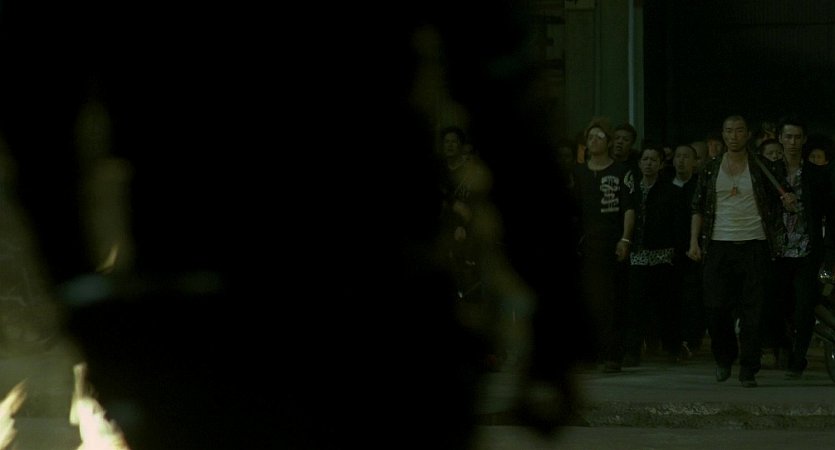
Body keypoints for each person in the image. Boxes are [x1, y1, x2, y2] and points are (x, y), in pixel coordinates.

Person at [687, 114, 797, 388]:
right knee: (715, 307)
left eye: (739, 131)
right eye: (728, 131)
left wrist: (788, 201)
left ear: (747, 134)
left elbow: (784, 196)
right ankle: (724, 358)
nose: (733, 136)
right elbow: (698, 206)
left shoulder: (762, 167)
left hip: (754, 243)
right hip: (718, 244)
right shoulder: (711, 168)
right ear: (722, 134)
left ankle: (748, 369)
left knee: (753, 312)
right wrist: (693, 242)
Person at [769, 114, 834, 379]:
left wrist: (828, 250)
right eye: (788, 137)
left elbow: (828, 212)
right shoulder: (771, 173)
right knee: (775, 305)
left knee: (804, 307)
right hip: (777, 251)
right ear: (780, 139)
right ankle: (785, 346)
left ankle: (798, 358)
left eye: (797, 137)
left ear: (804, 140)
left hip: (807, 250)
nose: (793, 142)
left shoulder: (817, 174)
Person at [571, 117, 634, 373]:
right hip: (585, 242)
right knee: (586, 298)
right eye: (590, 137)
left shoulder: (620, 171)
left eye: (599, 136)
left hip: (611, 240)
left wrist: (625, 238)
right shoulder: (578, 172)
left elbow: (629, 208)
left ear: (608, 142)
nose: (594, 141)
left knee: (611, 299)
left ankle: (612, 354)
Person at [621, 145, 685, 365]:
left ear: (660, 164)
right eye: (645, 159)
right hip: (638, 254)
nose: (648, 163)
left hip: (663, 255)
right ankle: (632, 351)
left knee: (667, 305)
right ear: (639, 163)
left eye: (653, 160)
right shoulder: (632, 190)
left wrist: (677, 252)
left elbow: (678, 225)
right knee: (635, 306)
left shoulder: (671, 191)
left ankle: (672, 348)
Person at [670, 143, 705, 357]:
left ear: (695, 162)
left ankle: (692, 338)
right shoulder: (667, 185)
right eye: (678, 156)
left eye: (686, 157)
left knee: (693, 294)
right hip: (670, 248)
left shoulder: (700, 186)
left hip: (694, 247)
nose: (681, 160)